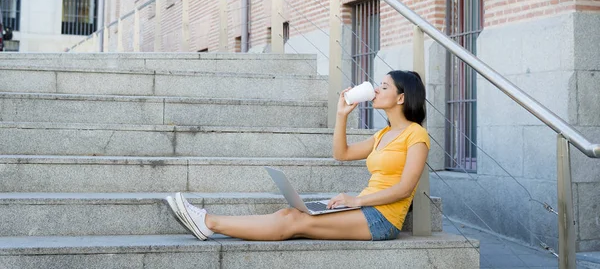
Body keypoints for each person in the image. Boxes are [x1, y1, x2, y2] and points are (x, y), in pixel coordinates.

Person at [166, 70, 430, 241]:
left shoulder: (415, 135)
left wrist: (357, 200)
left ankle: (209, 222)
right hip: (366, 209)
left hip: (382, 220)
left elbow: (404, 189)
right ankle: (208, 222)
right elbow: (342, 153)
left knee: (294, 221)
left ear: (400, 98)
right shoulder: (382, 134)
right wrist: (341, 115)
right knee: (288, 213)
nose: (375, 90)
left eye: (384, 87)